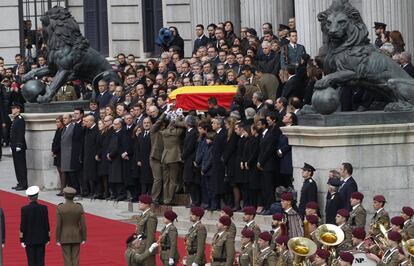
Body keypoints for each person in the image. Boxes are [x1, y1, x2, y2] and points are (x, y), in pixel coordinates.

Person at [56, 187, 87, 266]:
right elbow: (83, 224)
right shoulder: (79, 207)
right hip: (77, 235)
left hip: (64, 236)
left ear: (64, 195)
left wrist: (58, 239)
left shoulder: (60, 207)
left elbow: (58, 225)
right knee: (76, 258)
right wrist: (84, 237)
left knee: (67, 258)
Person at [20, 186, 50, 266]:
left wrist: (22, 239)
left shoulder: (24, 209)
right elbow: (46, 224)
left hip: (29, 239)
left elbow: (23, 225)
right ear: (37, 196)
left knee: (31, 261)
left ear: (28, 197)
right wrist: (48, 237)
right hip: (41, 238)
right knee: (41, 261)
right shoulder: (43, 208)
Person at [135, 194, 158, 266]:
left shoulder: (151, 216)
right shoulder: (143, 215)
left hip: (146, 247)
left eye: (141, 202)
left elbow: (150, 235)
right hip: (141, 245)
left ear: (147, 204)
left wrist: (148, 251)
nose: (139, 204)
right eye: (139, 202)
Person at [10, 102, 27, 191]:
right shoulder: (16, 119)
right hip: (14, 146)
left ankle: (24, 184)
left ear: (18, 109)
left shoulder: (20, 119)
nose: (12, 109)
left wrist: (19, 145)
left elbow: (21, 133)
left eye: (14, 108)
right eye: (12, 108)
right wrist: (11, 145)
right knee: (17, 166)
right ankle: (20, 182)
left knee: (21, 166)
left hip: (19, 147)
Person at [52, 116, 65, 196]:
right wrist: (53, 150)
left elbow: (61, 142)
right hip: (56, 153)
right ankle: (62, 188)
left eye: (58, 122)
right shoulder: (57, 130)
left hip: (61, 153)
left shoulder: (63, 130)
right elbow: (54, 141)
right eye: (56, 122)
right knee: (59, 171)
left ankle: (63, 189)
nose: (57, 123)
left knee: (62, 171)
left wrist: (55, 150)